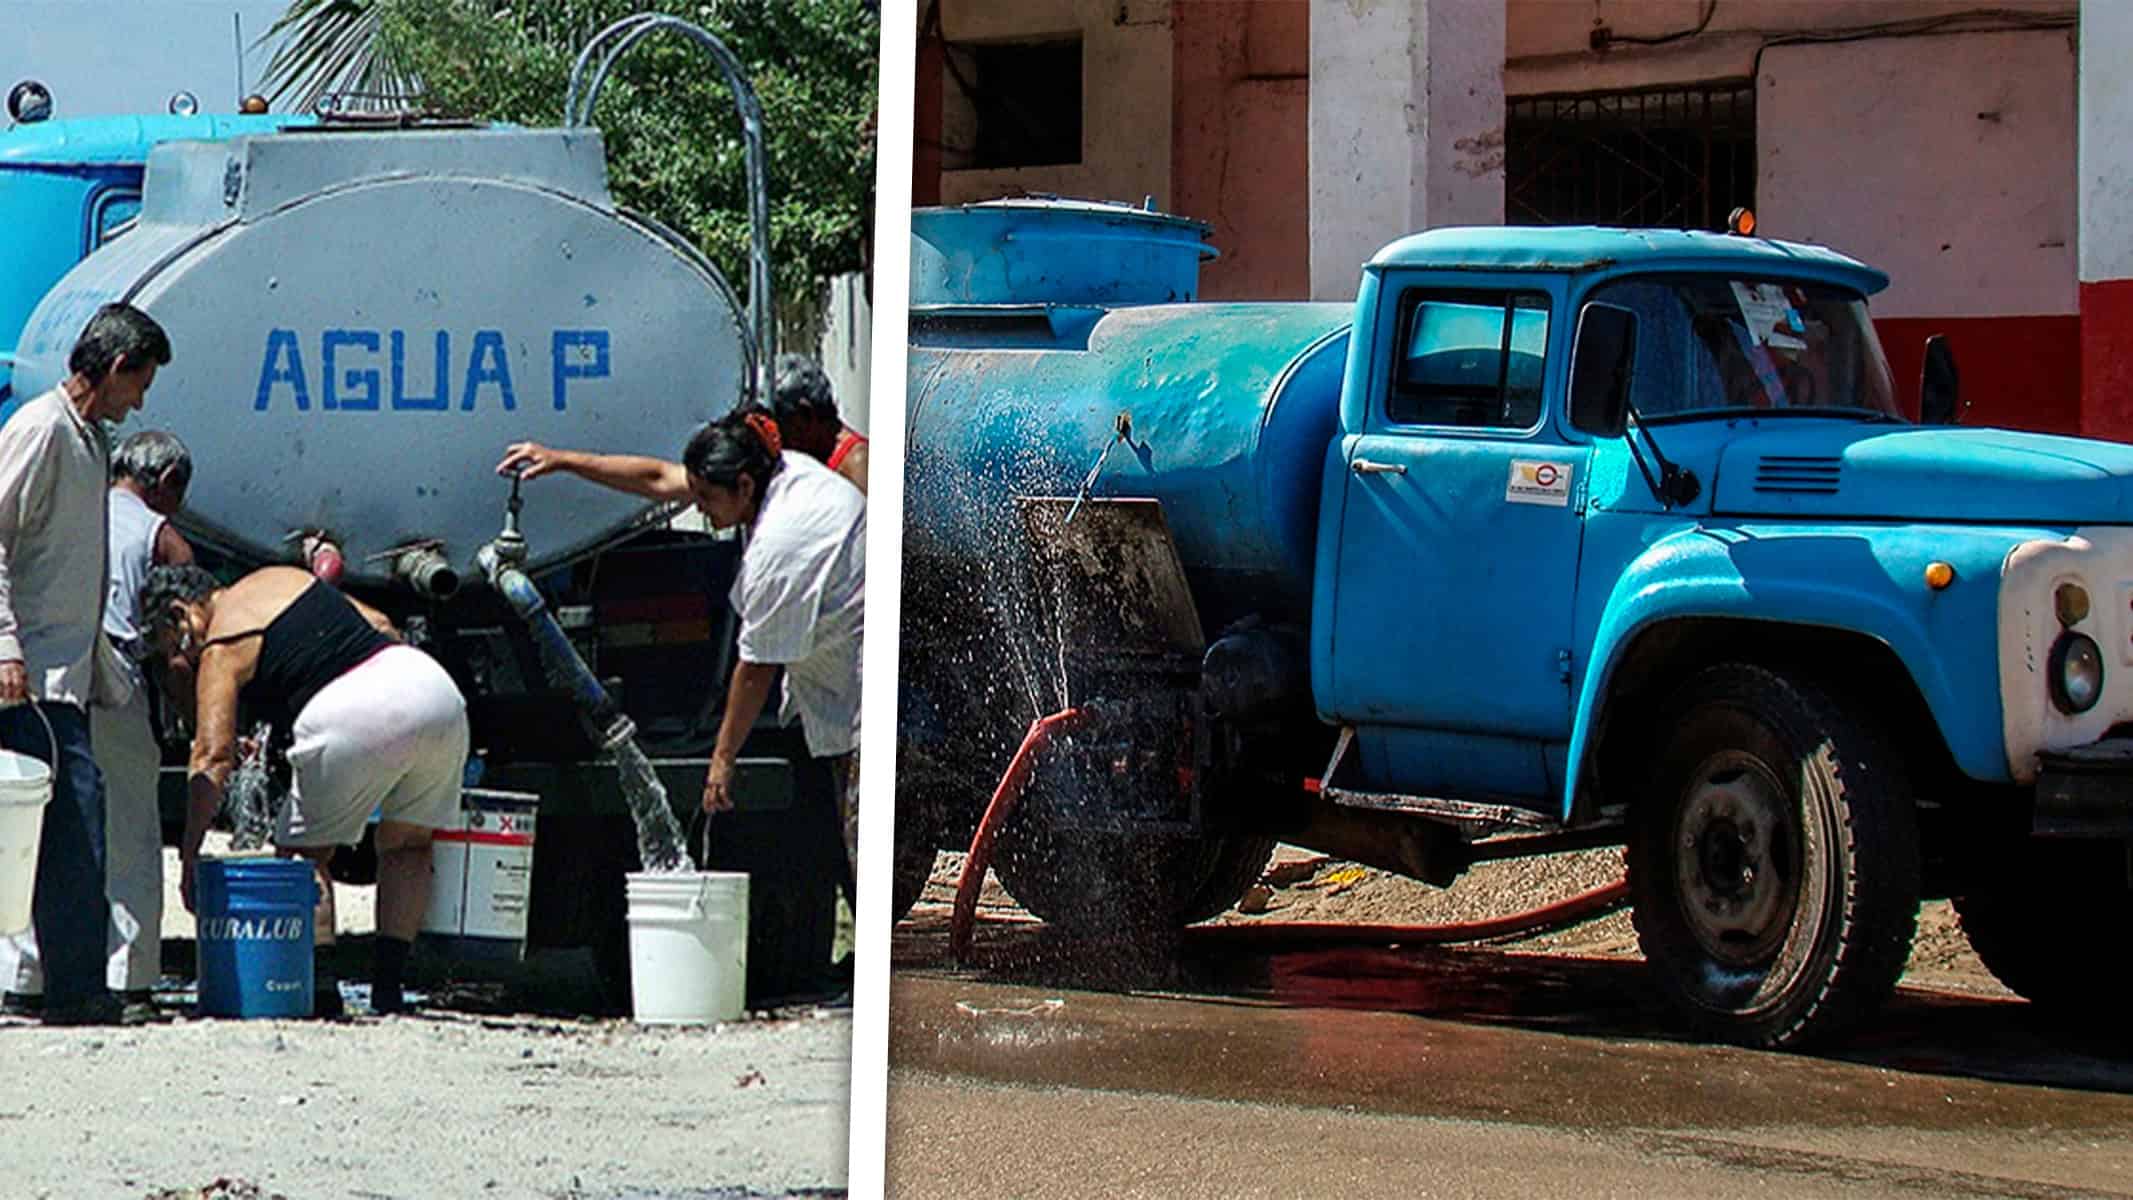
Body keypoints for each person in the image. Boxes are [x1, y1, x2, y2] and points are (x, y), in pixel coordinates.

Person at [497, 406, 864, 918]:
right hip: (839, 684)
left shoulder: (783, 543)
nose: (702, 512)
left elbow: (754, 669)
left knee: (863, 841)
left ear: (741, 486)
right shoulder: (781, 473)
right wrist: (561, 460)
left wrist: (723, 760)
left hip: (862, 695)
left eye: (707, 500)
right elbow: (657, 477)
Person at [141, 563, 467, 1016]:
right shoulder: (279, 577)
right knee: (409, 845)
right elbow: (381, 624)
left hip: (352, 707)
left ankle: (322, 992)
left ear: (182, 615)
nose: (182, 660)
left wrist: (190, 853)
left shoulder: (220, 644)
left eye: (170, 646)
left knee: (302, 858)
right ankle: (390, 991)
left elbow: (212, 756)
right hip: (435, 692)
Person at [0, 302, 168, 1026]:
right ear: (115, 369)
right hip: (29, 671)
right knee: (73, 822)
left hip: (66, 668)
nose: (142, 401)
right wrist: (4, 644)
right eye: (141, 382)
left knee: (64, 824)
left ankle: (70, 985)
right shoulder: (40, 432)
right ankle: (74, 990)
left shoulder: (90, 442)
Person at [769, 354, 869, 494]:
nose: (779, 438)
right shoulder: (813, 459)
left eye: (782, 425)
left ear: (806, 414)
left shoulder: (858, 464)